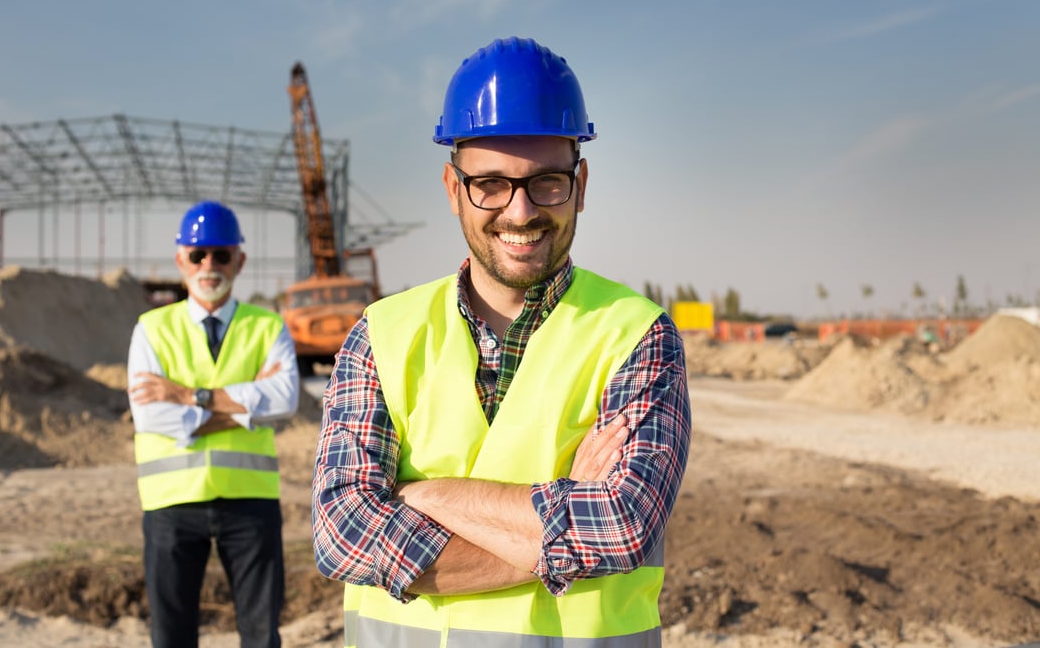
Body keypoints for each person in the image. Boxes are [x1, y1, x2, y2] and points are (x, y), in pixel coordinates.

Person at [312, 37, 692, 646]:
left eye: (546, 182)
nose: (519, 212)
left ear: (581, 183)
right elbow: (340, 535)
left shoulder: (635, 335)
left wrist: (420, 495)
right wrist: (563, 523)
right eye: (489, 183)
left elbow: (621, 527)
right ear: (452, 187)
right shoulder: (381, 334)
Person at [128, 199, 300, 648]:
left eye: (221, 254)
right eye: (198, 254)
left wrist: (189, 397)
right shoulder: (150, 328)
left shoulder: (268, 325)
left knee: (262, 635)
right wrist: (244, 410)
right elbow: (150, 415)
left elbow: (285, 399)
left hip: (251, 502)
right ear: (180, 259)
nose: (209, 264)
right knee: (171, 636)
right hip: (171, 504)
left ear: (239, 260)